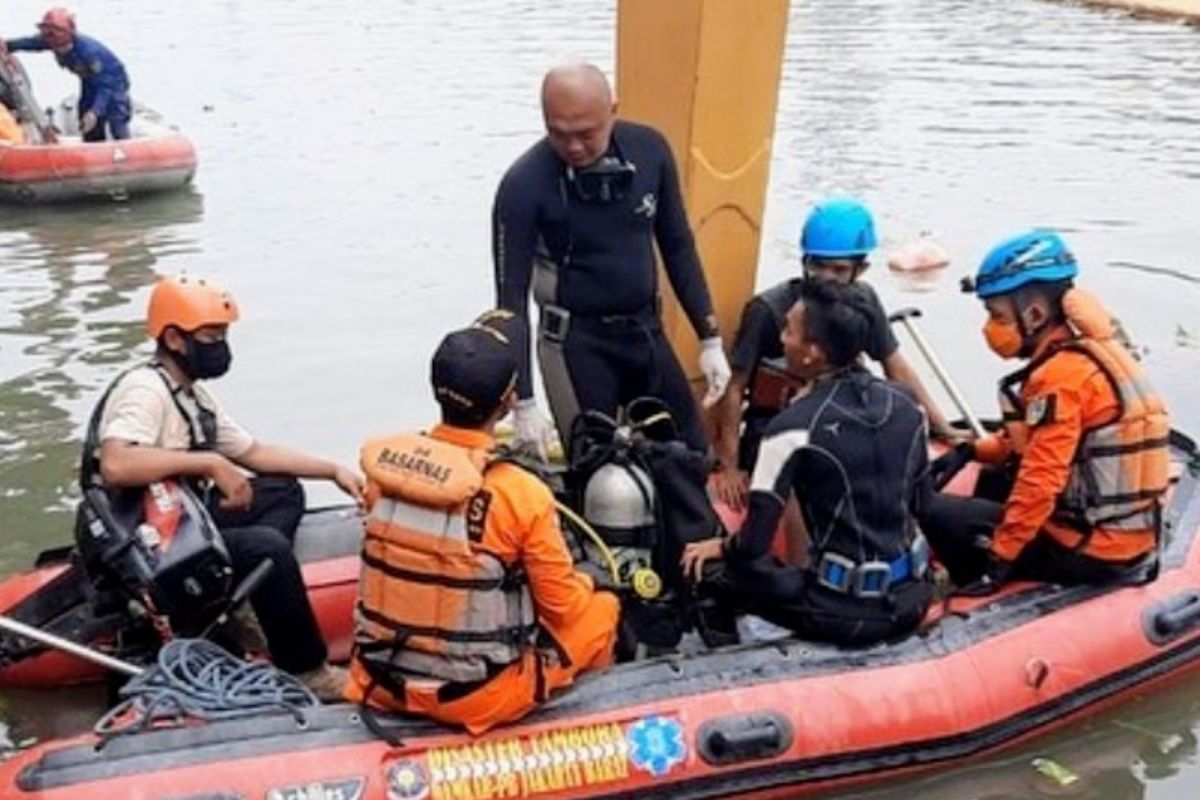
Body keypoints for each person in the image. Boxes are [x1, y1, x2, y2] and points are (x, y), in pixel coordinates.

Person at [345, 310, 620, 734]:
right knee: (603, 609)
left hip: (380, 682)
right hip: (475, 696)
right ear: (509, 402)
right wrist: (589, 581)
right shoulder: (520, 492)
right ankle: (587, 729)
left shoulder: (386, 474)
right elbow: (563, 609)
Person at [93, 275, 363, 698]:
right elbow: (115, 463)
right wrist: (208, 462)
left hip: (186, 521)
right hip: (152, 542)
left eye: (223, 334)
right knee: (267, 548)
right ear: (174, 339)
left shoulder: (190, 395)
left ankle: (247, 595)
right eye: (210, 335)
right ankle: (308, 668)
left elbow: (253, 453)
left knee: (283, 490)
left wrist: (332, 470)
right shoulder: (145, 390)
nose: (219, 345)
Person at [493, 62, 730, 457]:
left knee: (689, 455)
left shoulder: (649, 150)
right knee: (596, 467)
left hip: (644, 331)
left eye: (586, 134)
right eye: (558, 134)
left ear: (613, 111)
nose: (573, 148)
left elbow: (677, 245)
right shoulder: (524, 184)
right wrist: (524, 401)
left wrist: (709, 338)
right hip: (575, 344)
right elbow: (510, 299)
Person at [681, 280, 934, 646]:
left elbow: (753, 545)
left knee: (712, 570)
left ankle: (739, 666)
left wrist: (719, 548)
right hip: (914, 597)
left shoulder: (791, 427)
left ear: (812, 352)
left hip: (842, 612)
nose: (782, 340)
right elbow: (924, 504)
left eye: (788, 331)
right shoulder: (907, 403)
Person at [921, 230, 1169, 590]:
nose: (991, 329)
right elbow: (1037, 442)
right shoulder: (1093, 349)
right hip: (1122, 531)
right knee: (992, 478)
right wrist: (970, 450)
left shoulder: (1062, 378)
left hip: (1092, 548)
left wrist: (999, 558)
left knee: (934, 510)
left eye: (998, 316)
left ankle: (969, 586)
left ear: (1034, 314)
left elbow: (1041, 479)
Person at [713, 198, 956, 511]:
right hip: (776, 425)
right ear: (804, 262)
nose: (826, 277)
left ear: (860, 269)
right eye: (818, 267)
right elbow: (735, 387)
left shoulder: (863, 302)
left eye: (838, 269)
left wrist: (941, 427)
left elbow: (895, 365)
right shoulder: (768, 310)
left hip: (841, 417)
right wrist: (730, 467)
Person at [5, 7, 131, 141]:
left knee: (115, 116)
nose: (58, 50)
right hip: (88, 81)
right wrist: (8, 45)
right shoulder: (50, 40)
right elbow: (28, 43)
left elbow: (105, 87)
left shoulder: (88, 52)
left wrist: (95, 111)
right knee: (86, 118)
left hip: (112, 83)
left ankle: (125, 146)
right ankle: (91, 146)